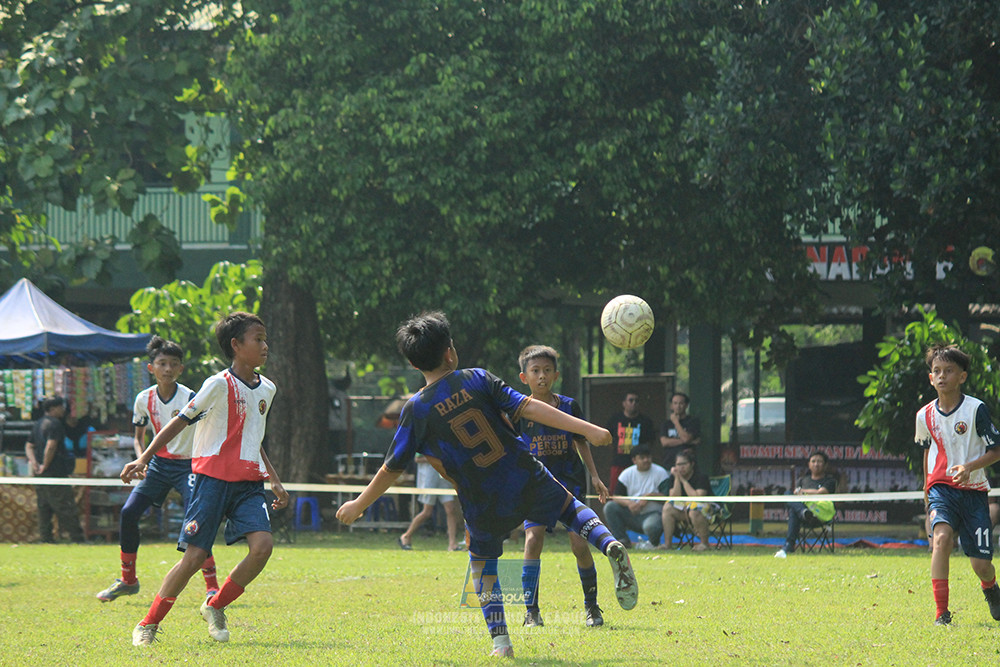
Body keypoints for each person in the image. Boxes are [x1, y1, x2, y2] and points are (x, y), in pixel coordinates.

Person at [336, 311, 637, 658]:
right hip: (523, 473)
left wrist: (359, 503)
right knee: (571, 509)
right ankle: (609, 543)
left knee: (482, 565)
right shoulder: (477, 378)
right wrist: (586, 428)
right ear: (450, 352)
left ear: (411, 361)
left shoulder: (416, 409)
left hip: (480, 498)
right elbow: (529, 408)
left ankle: (501, 644)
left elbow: (392, 467)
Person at [121, 312, 289, 646]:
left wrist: (274, 479)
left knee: (263, 547)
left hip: (249, 484)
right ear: (236, 345)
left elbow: (255, 439)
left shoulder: (267, 388)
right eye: (258, 339)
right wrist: (144, 456)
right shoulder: (216, 385)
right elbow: (179, 422)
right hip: (211, 481)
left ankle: (216, 605)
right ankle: (147, 624)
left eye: (265, 338)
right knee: (195, 557)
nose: (265, 345)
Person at [97, 336, 220, 603]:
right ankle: (128, 580)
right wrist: (142, 460)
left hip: (189, 464)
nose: (167, 369)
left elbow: (208, 431)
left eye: (173, 364)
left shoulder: (191, 397)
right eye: (161, 363)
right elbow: (139, 437)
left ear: (180, 369)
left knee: (195, 520)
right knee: (129, 512)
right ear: (151, 368)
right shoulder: (144, 399)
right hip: (158, 465)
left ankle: (212, 586)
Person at [514, 345, 611, 628]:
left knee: (580, 544)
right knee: (533, 541)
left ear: (555, 374)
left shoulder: (569, 406)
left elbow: (581, 438)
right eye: (535, 371)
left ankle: (592, 607)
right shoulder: (518, 410)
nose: (541, 376)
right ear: (524, 377)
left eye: (546, 371)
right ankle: (531, 611)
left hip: (570, 483)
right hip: (536, 484)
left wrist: (594, 475)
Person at [915, 344, 1000, 626]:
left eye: (948, 371)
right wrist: (928, 488)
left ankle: (990, 589)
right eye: (936, 371)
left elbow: (996, 449)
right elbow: (927, 452)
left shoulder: (976, 409)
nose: (941, 376)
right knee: (941, 540)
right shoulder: (924, 416)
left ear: (962, 376)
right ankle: (942, 613)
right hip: (942, 488)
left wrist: (969, 467)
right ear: (930, 378)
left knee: (981, 565)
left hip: (974, 492)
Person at [24, 396, 84, 543]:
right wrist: (45, 464)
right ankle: (76, 538)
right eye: (60, 407)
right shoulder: (55, 424)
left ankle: (46, 538)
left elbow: (29, 445)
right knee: (65, 506)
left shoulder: (38, 424)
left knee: (43, 507)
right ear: (53, 409)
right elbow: (51, 445)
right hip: (55, 472)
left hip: (40, 474)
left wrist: (34, 463)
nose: (63, 410)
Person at [604, 444, 670, 549]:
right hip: (631, 514)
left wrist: (649, 497)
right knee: (610, 507)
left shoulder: (661, 473)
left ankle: (653, 544)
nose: (646, 460)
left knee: (650, 526)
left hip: (654, 515)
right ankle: (622, 540)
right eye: (642, 458)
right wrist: (629, 503)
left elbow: (667, 497)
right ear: (634, 460)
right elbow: (616, 496)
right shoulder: (626, 474)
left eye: (648, 457)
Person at [774, 451, 838, 558]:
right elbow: (795, 493)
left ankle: (789, 545)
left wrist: (802, 492)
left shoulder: (830, 480)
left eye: (819, 462)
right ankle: (803, 512)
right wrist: (799, 493)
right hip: (805, 516)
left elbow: (821, 492)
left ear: (825, 465)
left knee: (793, 510)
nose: (816, 464)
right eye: (813, 461)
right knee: (788, 495)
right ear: (809, 464)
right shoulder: (802, 480)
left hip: (819, 516)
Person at [399, 455, 462, 551]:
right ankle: (406, 536)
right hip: (429, 479)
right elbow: (417, 459)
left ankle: (452, 544)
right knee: (427, 512)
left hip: (443, 477)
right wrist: (436, 460)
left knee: (451, 509)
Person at [659, 449, 713, 551]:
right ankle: (667, 544)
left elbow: (697, 498)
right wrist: (677, 479)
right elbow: (674, 497)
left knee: (694, 511)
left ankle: (704, 544)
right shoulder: (674, 478)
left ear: (692, 464)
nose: (681, 467)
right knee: (667, 507)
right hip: (684, 510)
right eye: (678, 464)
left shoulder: (701, 477)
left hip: (706, 511)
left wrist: (683, 481)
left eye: (684, 464)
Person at [605, 392, 656, 495]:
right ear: (624, 403)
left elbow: (650, 442)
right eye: (631, 400)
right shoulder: (615, 419)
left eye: (636, 401)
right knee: (615, 493)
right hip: (618, 463)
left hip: (638, 465)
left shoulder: (645, 421)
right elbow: (607, 440)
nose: (634, 403)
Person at [659, 392, 701, 469]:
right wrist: (689, 442)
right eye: (675, 403)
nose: (678, 406)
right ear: (671, 406)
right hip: (669, 464)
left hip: (687, 465)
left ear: (686, 405)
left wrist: (676, 422)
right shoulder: (666, 424)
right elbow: (664, 442)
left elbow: (686, 438)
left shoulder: (693, 421)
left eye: (681, 403)